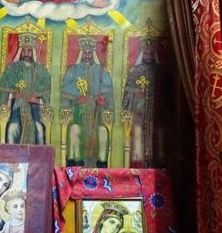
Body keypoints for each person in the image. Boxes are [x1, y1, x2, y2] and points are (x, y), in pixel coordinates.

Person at [61, 35, 114, 167]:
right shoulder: (73, 72)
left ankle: (101, 168)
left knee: (103, 133)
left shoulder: (101, 72)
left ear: (93, 54)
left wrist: (103, 103)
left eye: (89, 53)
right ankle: (75, 167)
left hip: (98, 119)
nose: (87, 56)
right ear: (81, 53)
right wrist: (76, 101)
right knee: (74, 130)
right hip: (77, 118)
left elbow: (109, 102)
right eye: (84, 53)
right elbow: (64, 103)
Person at [122, 35, 166, 168]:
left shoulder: (160, 72)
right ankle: (138, 166)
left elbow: (167, 93)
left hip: (155, 114)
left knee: (157, 138)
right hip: (139, 114)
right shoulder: (134, 72)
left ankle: (156, 165)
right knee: (137, 137)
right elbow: (127, 92)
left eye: (151, 53)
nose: (148, 56)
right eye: (146, 53)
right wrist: (136, 93)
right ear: (142, 54)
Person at [0, 32, 51, 144]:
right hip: (16, 108)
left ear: (33, 52)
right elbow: (4, 95)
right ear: (20, 51)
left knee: (39, 129)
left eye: (29, 51)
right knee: (12, 129)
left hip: (35, 109)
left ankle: (39, 155)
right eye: (24, 50)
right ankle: (11, 155)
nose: (26, 54)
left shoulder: (41, 71)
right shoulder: (12, 69)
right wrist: (14, 95)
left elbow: (46, 101)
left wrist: (36, 100)